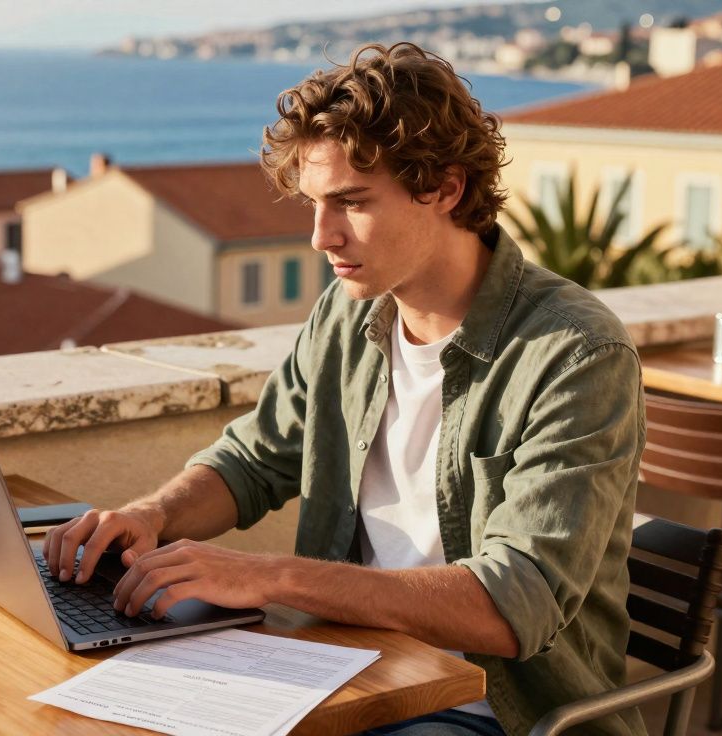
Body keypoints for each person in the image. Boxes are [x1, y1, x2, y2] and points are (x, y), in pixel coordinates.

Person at [44, 42, 644, 735]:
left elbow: (516, 604)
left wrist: (268, 577)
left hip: (489, 710)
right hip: (344, 672)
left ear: (445, 188)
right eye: (313, 204)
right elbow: (254, 460)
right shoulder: (349, 309)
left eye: (351, 203)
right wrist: (150, 515)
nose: (320, 237)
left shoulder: (575, 352)